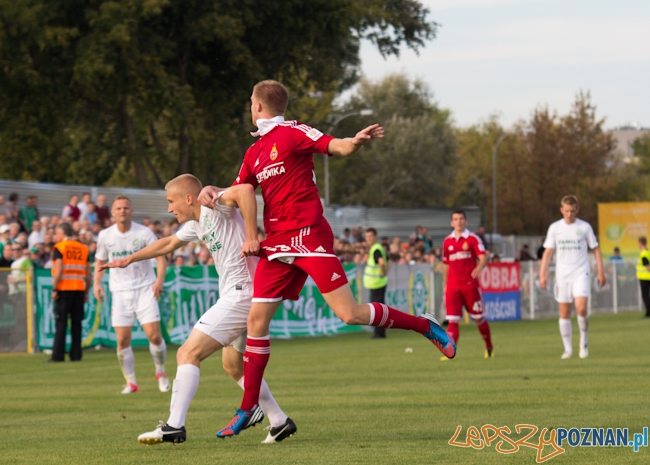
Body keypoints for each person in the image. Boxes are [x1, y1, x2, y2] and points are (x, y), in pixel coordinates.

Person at [198, 79, 455, 438]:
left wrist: (354, 142)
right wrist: (215, 191)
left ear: (256, 107)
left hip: (308, 237)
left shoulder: (292, 132)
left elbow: (335, 145)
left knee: (349, 314)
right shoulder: (253, 152)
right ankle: (247, 407)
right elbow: (241, 191)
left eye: (251, 105)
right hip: (277, 246)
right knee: (257, 322)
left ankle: (424, 325)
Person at [101, 175, 295, 445]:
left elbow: (246, 190)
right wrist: (129, 259)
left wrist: (251, 236)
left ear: (188, 198)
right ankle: (279, 420)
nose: (169, 209)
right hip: (243, 295)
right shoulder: (196, 223)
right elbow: (168, 243)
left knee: (187, 353)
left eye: (171, 201)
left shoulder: (214, 205)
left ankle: (174, 425)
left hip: (241, 295)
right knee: (232, 367)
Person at [93, 196, 169, 393]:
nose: (122, 211)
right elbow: (100, 261)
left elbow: (161, 257)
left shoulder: (143, 233)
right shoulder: (105, 236)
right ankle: (131, 382)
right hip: (119, 292)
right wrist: (96, 284)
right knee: (122, 341)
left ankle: (160, 371)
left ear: (131, 211)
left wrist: (159, 281)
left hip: (145, 289)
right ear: (112, 212)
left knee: (153, 336)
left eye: (125, 208)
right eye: (118, 208)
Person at [539, 195, 606, 359]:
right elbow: (548, 251)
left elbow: (595, 249)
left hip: (581, 273)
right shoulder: (555, 228)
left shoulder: (584, 227)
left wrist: (601, 271)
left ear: (577, 210)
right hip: (562, 275)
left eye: (572, 211)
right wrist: (542, 273)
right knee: (564, 311)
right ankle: (568, 349)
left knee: (581, 307)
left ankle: (583, 341)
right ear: (562, 210)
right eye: (566, 211)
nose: (569, 214)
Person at [442, 210, 492, 359]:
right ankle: (450, 352)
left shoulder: (473, 239)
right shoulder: (447, 242)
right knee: (452, 319)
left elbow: (482, 257)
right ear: (452, 223)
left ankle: (489, 347)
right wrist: (445, 283)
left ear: (466, 221)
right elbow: (445, 264)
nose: (459, 222)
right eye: (456, 219)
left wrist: (480, 266)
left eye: (461, 219)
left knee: (479, 319)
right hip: (453, 286)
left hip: (470, 285)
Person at [46, 223, 90, 362]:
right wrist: (86, 292)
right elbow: (89, 275)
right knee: (76, 325)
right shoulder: (83, 248)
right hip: (79, 290)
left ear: (63, 232)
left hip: (64, 290)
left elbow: (58, 271)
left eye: (57, 233)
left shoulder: (60, 247)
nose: (56, 236)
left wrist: (55, 288)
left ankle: (58, 356)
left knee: (61, 323)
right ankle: (76, 355)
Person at [363, 228, 389, 339]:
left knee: (377, 310)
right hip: (378, 283)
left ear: (375, 236)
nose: (368, 239)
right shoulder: (377, 248)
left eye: (370, 236)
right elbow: (388, 260)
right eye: (367, 236)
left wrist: (383, 273)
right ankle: (381, 332)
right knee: (380, 308)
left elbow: (382, 262)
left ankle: (379, 333)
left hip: (377, 283)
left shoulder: (376, 249)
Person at [637, 237, 650, 317]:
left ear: (640, 243)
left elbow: (647, 266)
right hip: (647, 277)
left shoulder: (643, 253)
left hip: (645, 277)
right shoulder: (648, 251)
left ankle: (648, 312)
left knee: (645, 295)